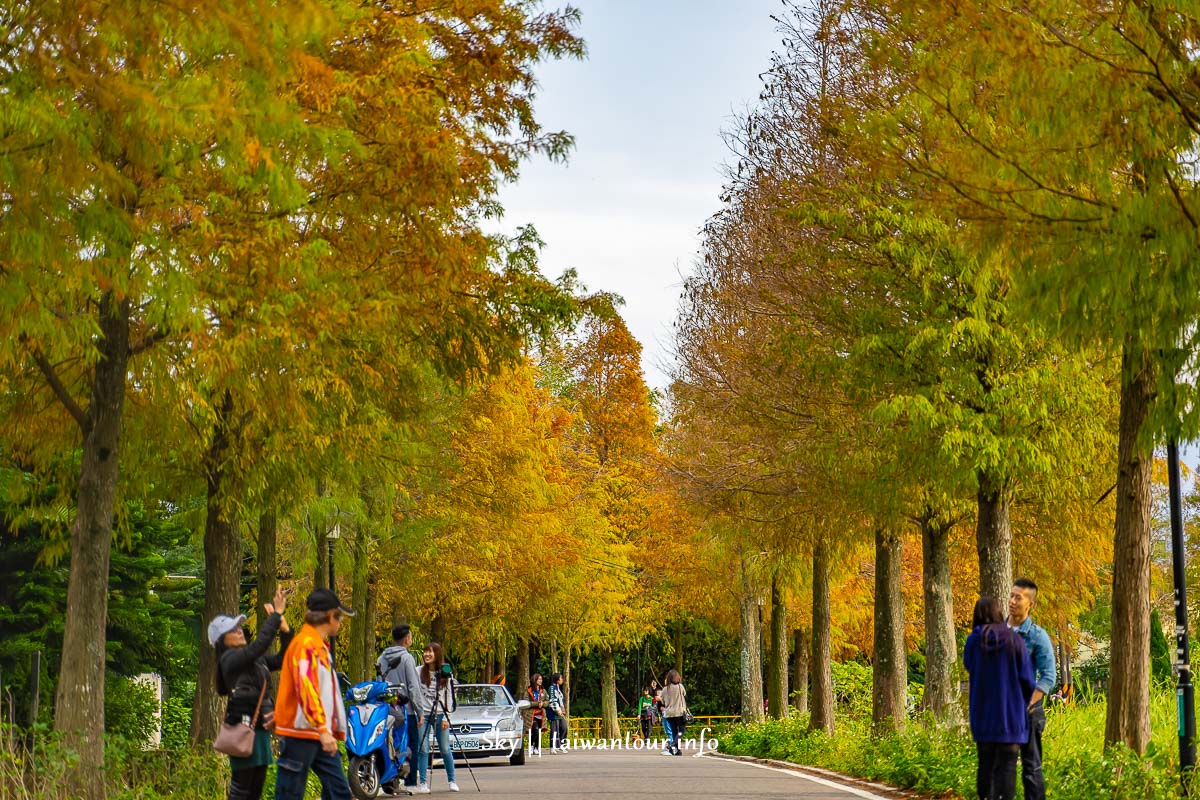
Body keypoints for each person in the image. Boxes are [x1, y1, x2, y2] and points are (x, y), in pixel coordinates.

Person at [210, 587, 292, 800]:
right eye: (233, 629)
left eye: (239, 627)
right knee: (241, 791)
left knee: (254, 791)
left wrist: (284, 630)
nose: (240, 630)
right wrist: (275, 615)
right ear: (221, 641)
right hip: (243, 732)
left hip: (260, 732)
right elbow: (258, 646)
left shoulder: (254, 662)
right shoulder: (229, 661)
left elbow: (283, 658)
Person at [273, 588, 355, 800]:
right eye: (340, 617)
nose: (341, 623)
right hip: (301, 732)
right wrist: (322, 729)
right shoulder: (306, 646)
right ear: (329, 616)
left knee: (339, 792)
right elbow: (307, 689)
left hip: (314, 732)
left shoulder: (318, 647)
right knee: (290, 794)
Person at [965, 596, 1036, 800]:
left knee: (985, 763)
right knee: (1008, 766)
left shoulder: (974, 640)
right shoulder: (1015, 640)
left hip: (983, 715)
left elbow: (969, 666)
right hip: (1011, 716)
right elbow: (1028, 680)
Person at [1008, 577, 1056, 800]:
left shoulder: (1037, 636)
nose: (1012, 601)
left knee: (1031, 768)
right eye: (1011, 595)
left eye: (1019, 598)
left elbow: (1048, 678)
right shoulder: (996, 631)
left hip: (1028, 712)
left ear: (1030, 604)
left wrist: (1028, 703)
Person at [376, 624, 422, 791]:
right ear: (406, 639)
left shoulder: (381, 657)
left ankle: (391, 778)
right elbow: (413, 687)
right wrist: (420, 710)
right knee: (411, 745)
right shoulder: (407, 658)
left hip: (386, 709)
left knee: (389, 744)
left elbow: (379, 683)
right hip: (405, 709)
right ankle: (410, 783)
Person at [415, 642, 458, 794]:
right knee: (423, 749)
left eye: (430, 652)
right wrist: (417, 712)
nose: (427, 655)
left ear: (437, 654)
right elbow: (414, 692)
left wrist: (448, 717)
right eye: (425, 652)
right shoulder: (418, 671)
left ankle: (452, 780)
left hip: (441, 714)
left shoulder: (445, 672)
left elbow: (450, 696)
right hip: (423, 715)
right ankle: (423, 783)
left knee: (445, 748)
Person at [659, 669, 687, 757]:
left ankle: (677, 750)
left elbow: (663, 701)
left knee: (674, 731)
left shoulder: (664, 689)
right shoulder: (680, 687)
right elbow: (684, 694)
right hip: (679, 712)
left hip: (669, 713)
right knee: (682, 730)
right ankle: (673, 744)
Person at [526, 673, 547, 756]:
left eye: (541, 679)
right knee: (535, 729)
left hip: (541, 714)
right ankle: (531, 746)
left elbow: (547, 701)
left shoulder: (543, 691)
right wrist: (536, 704)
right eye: (539, 679)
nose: (541, 681)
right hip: (532, 714)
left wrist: (543, 703)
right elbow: (527, 702)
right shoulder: (528, 690)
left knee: (539, 731)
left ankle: (536, 747)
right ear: (534, 680)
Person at [546, 673, 567, 753]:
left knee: (564, 727)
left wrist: (563, 710)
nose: (562, 680)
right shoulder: (552, 688)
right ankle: (553, 746)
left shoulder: (558, 688)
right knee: (555, 730)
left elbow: (561, 700)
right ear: (557, 680)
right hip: (554, 712)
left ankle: (561, 745)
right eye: (561, 678)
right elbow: (552, 700)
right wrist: (558, 710)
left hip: (560, 713)